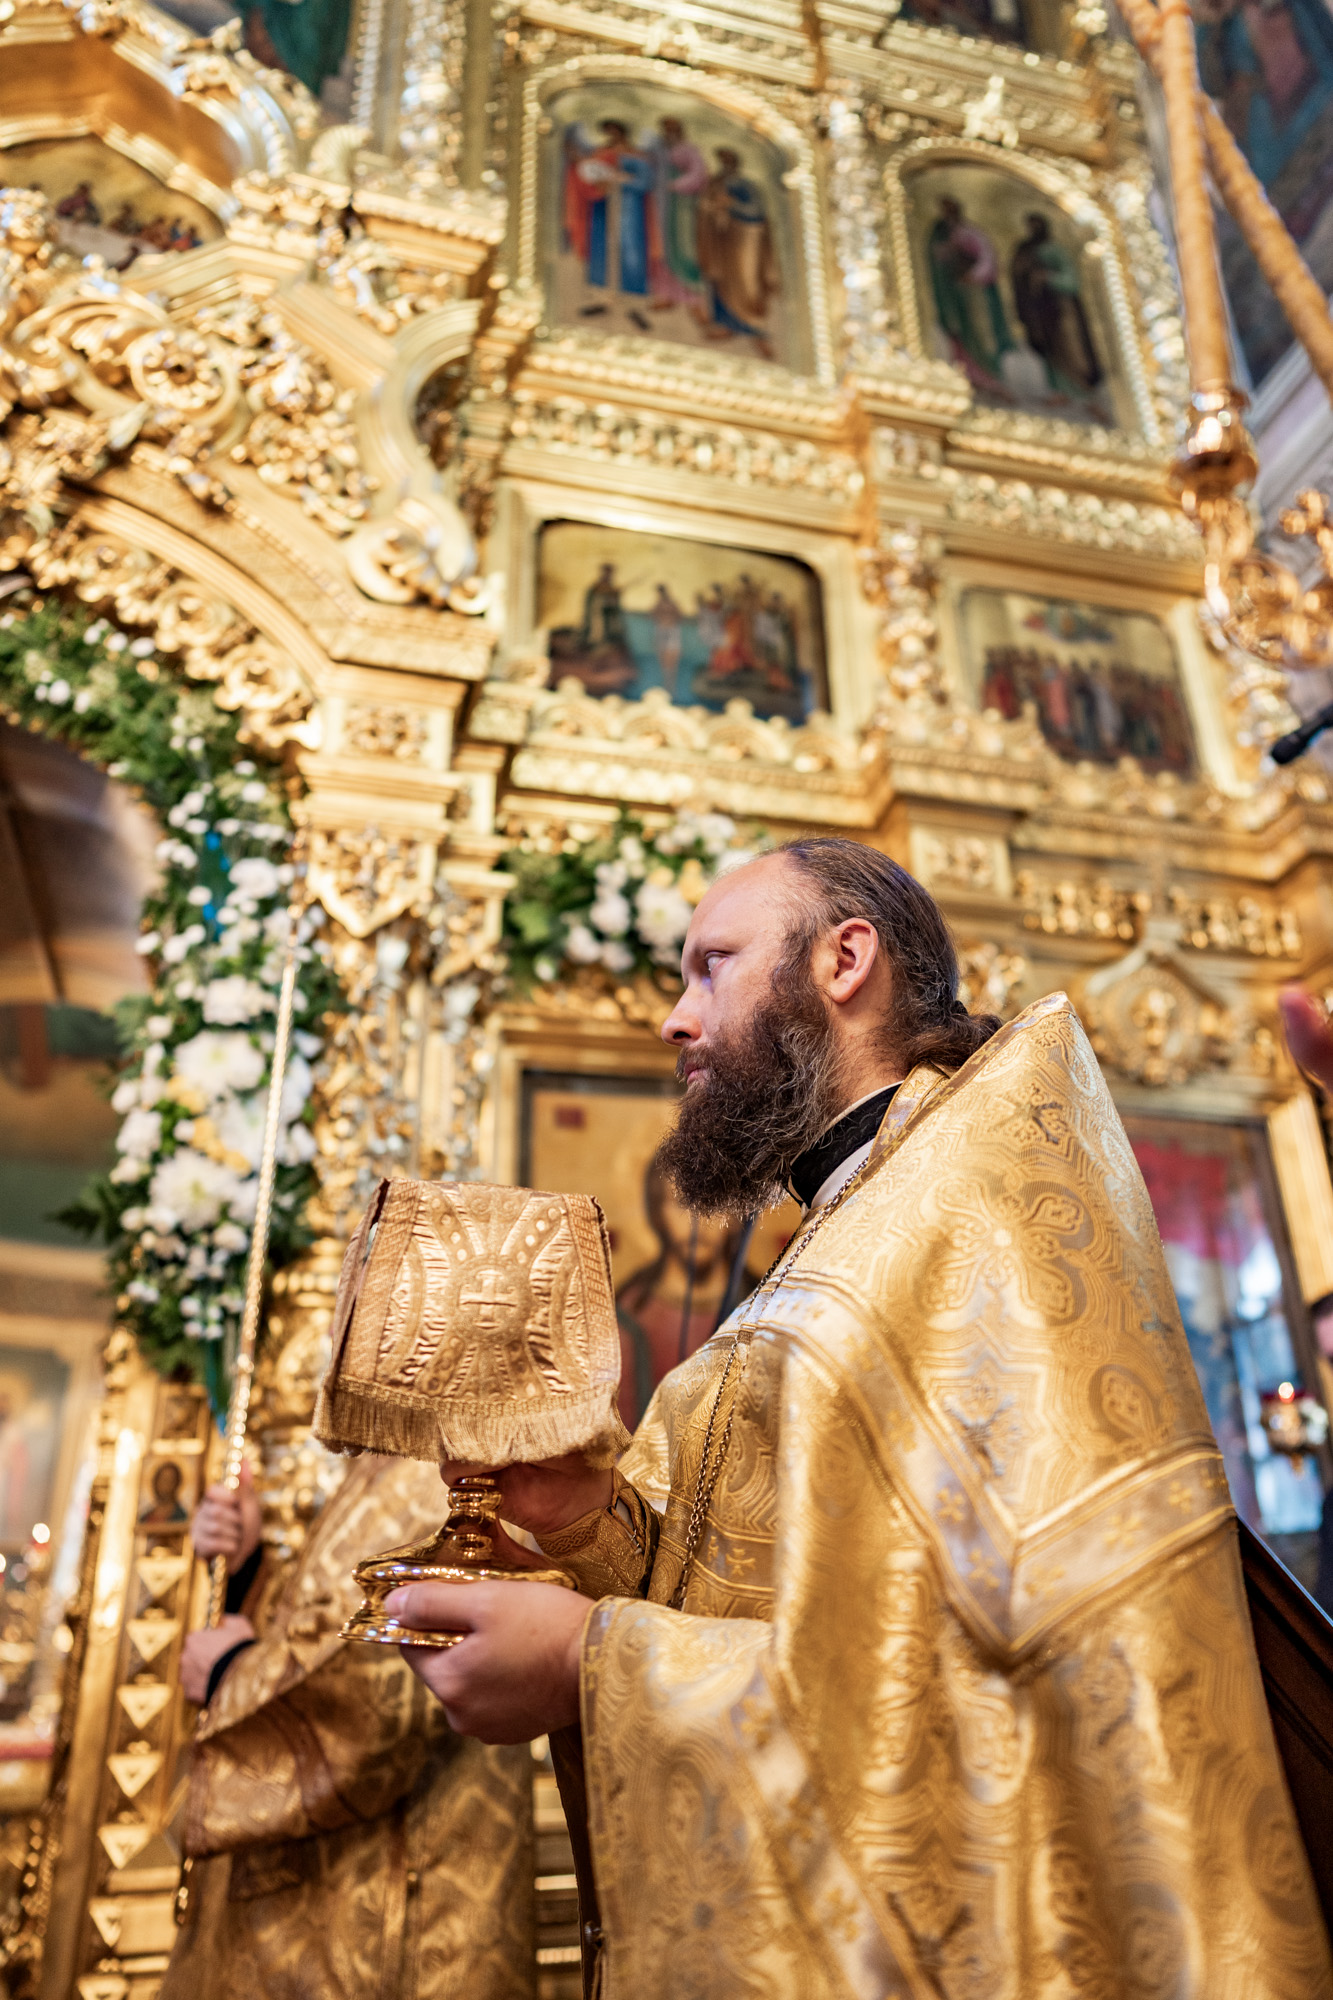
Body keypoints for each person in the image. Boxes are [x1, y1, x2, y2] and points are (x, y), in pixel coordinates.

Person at [382, 840, 1332, 1997]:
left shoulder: (970, 1212)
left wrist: (592, 1659)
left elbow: (993, 1686)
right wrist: (585, 1513)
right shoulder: (859, 1214)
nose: (677, 1019)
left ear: (844, 960)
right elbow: (766, 1572)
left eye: (710, 965)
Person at [161, 1456, 536, 2000]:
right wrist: (247, 1568)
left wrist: (229, 1672)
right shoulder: (381, 1467)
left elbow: (383, 1697)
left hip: (394, 1920)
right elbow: (311, 1625)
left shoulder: (454, 1481)